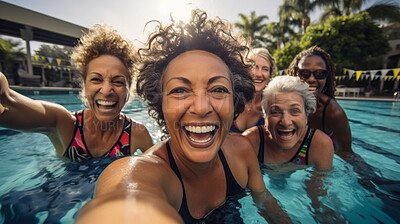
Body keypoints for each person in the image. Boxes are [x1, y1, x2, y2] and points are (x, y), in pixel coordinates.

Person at [76, 10, 292, 224]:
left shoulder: (243, 152)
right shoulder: (147, 171)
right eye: (180, 90)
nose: (201, 107)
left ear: (234, 102)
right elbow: (124, 200)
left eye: (218, 89)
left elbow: (267, 205)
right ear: (161, 104)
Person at [0, 24, 153, 162]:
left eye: (118, 81)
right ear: (84, 85)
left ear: (128, 90)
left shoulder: (137, 134)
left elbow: (159, 170)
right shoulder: (63, 123)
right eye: (96, 79)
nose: (106, 90)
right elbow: (7, 103)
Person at [243, 75, 334, 171]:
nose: (286, 122)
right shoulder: (250, 143)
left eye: (295, 111)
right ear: (265, 116)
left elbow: (319, 184)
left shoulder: (320, 145)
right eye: (275, 112)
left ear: (306, 115)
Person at [287, 46, 352, 156]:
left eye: (320, 74)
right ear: (295, 74)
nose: (311, 79)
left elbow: (346, 153)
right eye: (304, 73)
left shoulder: (333, 113)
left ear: (327, 77)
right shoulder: (283, 103)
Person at [230, 47, 277, 133]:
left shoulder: (272, 105)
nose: (259, 74)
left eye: (265, 69)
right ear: (244, 69)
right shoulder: (230, 99)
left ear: (270, 74)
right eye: (254, 67)